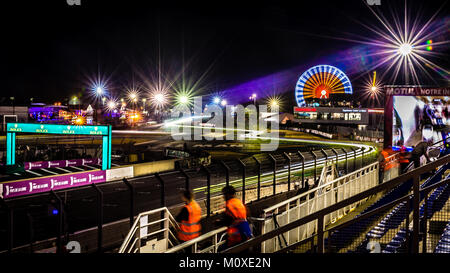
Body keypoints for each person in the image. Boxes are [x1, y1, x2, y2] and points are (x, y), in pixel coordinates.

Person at [216, 185, 252, 250]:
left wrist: (218, 222)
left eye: (224, 194)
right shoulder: (238, 202)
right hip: (246, 230)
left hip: (237, 233)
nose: (224, 197)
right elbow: (247, 213)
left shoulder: (229, 204)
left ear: (228, 194)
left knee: (221, 249)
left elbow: (228, 219)